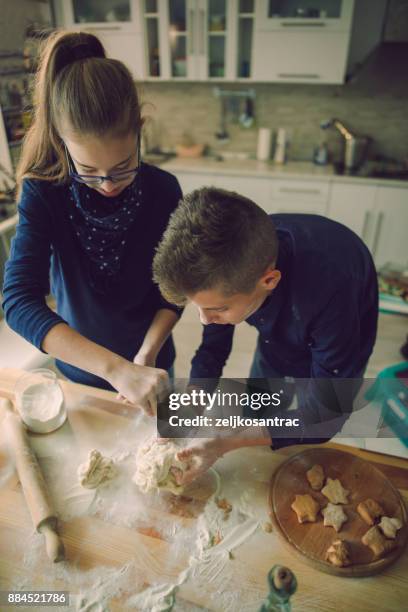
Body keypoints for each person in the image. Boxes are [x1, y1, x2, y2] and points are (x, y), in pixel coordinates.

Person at [2, 31, 183, 415]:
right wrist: (115, 369)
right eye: (87, 170)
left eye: (122, 168)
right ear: (62, 142)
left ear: (139, 130)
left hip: (152, 368)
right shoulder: (44, 192)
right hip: (79, 374)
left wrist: (144, 357)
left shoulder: (164, 190)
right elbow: (18, 301)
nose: (108, 184)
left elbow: (173, 290)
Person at [153, 187, 379, 484]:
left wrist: (224, 442)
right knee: (264, 397)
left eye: (217, 309)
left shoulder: (333, 291)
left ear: (269, 280)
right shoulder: (229, 261)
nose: (204, 319)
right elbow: (213, 347)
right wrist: (193, 403)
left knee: (315, 416)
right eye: (199, 307)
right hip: (278, 335)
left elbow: (326, 417)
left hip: (343, 321)